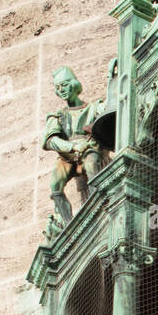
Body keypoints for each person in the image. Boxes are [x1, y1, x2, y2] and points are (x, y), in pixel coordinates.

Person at [42, 66, 103, 225]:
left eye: (65, 84)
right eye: (58, 87)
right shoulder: (58, 115)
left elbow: (106, 116)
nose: (61, 90)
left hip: (88, 149)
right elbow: (50, 140)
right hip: (67, 155)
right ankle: (66, 222)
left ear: (74, 84)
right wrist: (72, 147)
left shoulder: (93, 107)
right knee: (55, 184)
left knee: (91, 165)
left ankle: (99, 206)